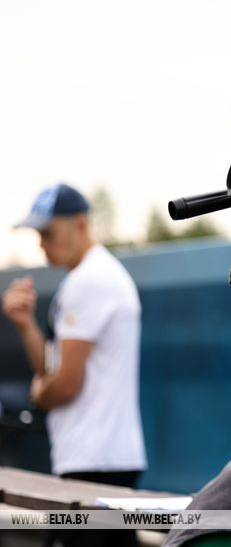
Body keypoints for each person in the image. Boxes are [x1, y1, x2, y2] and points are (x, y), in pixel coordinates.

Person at [2, 183, 147, 547]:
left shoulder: (89, 281)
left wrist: (39, 393)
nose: (41, 243)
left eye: (48, 232)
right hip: (100, 457)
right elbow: (53, 367)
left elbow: (62, 385)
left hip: (94, 461)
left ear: (80, 224)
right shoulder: (91, 277)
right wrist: (25, 323)